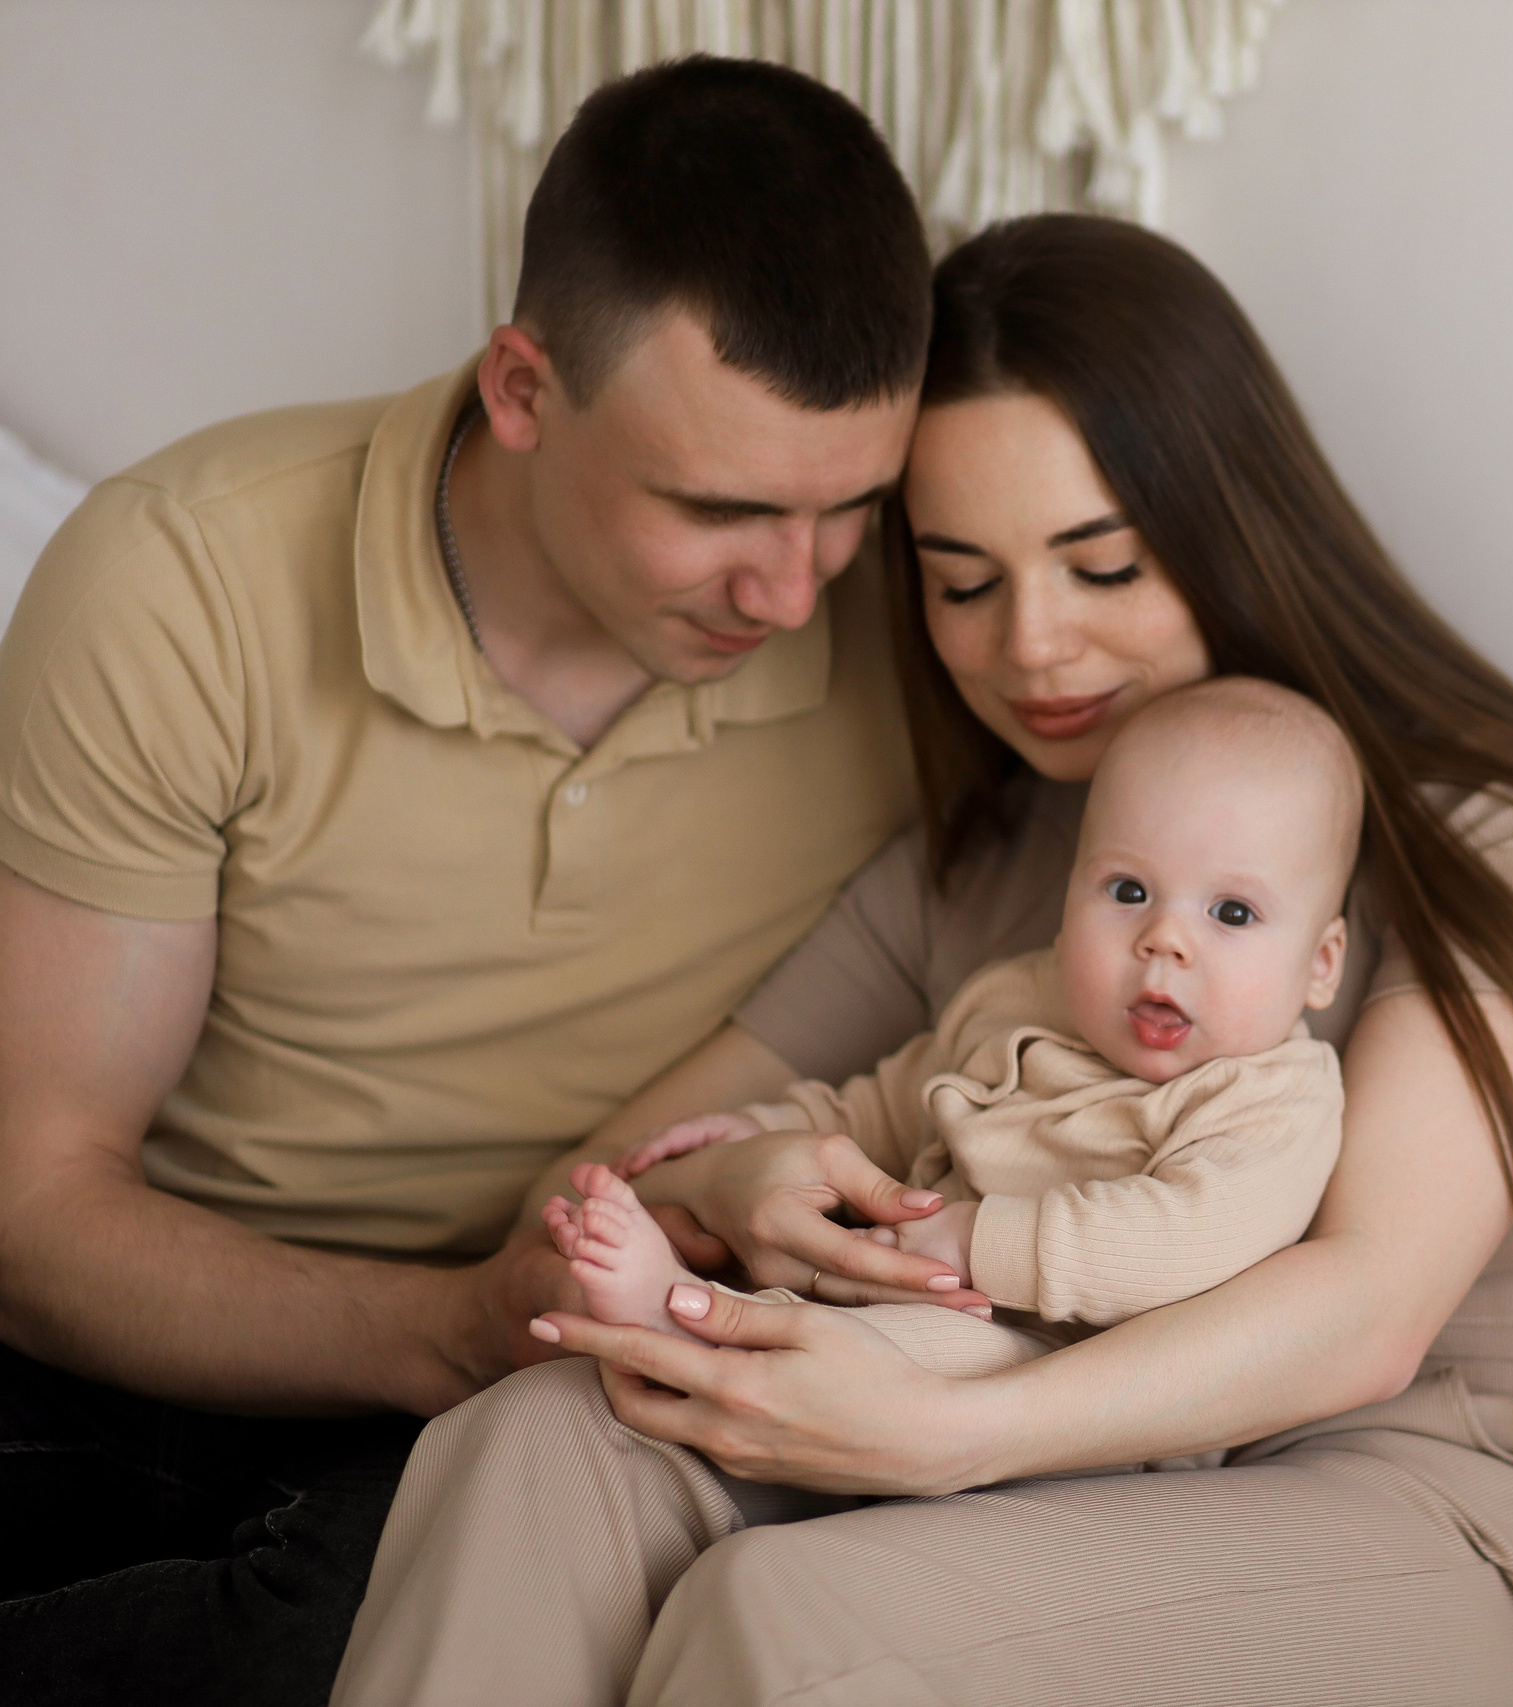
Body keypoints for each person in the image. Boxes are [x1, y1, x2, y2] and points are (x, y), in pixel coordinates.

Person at [329, 214, 1513, 1707]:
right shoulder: (986, 859)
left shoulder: (1491, 831)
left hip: (1415, 1506)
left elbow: (1369, 1309)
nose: (1033, 646)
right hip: (1063, 1469)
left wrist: (951, 1430)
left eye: (1101, 567)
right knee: (543, 1441)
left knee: (798, 1617)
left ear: (1228, 523)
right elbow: (586, 1182)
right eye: (964, 583)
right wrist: (730, 1186)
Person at [0, 59, 954, 1707]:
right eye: (717, 507)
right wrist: (444, 1316)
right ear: (522, 387)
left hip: (536, 1385)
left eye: (849, 509)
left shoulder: (935, 628)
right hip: (178, 1315)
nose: (795, 590)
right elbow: (38, 1210)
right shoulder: (182, 580)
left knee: (338, 1633)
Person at [542, 676, 1358, 1378]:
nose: (1164, 939)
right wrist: (762, 1130)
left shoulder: (1274, 1097)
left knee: (905, 1344)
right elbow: (892, 1107)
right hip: (937, 1305)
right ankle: (692, 1312)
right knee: (853, 1303)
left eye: (1232, 912)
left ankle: (684, 1324)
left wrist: (974, 1238)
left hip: (1074, 1375)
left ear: (1321, 963)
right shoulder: (1020, 999)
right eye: (1129, 891)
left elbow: (1184, 1235)